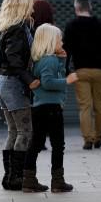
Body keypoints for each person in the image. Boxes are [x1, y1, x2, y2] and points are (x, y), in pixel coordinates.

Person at [23, 23, 78, 192]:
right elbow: (48, 82)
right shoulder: (49, 60)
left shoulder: (44, 59)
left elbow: (53, 73)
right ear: (50, 41)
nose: (62, 43)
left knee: (37, 143)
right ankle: (57, 181)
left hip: (41, 107)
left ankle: (29, 180)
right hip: (51, 108)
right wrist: (68, 81)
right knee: (57, 144)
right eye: (59, 40)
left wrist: (62, 59)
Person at [0, 0, 39, 191]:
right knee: (25, 131)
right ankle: (16, 178)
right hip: (12, 83)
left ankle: (10, 178)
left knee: (13, 131)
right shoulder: (18, 28)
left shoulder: (13, 26)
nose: (33, 5)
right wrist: (29, 79)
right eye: (30, 2)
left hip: (4, 83)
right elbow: (14, 59)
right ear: (23, 3)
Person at [63, 0, 101, 150]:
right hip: (100, 71)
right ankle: (98, 137)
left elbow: (66, 50)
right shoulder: (100, 25)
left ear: (76, 8)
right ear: (90, 7)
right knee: (100, 105)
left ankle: (88, 139)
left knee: (85, 106)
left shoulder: (71, 26)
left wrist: (67, 71)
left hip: (81, 71)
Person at [32, 0, 55, 151]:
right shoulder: (53, 31)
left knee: (33, 106)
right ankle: (48, 139)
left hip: (32, 73)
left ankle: (36, 139)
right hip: (49, 72)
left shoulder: (29, 30)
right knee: (49, 106)